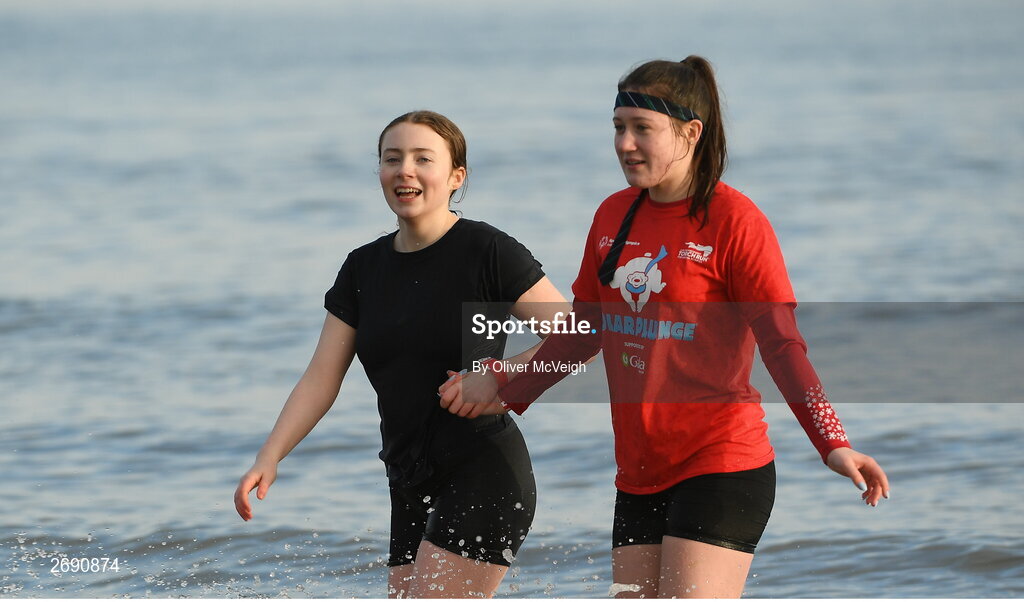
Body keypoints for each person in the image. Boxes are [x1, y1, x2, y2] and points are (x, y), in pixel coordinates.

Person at [438, 57, 890, 598]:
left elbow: (782, 345)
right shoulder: (612, 216)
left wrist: (831, 441)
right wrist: (507, 383)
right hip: (638, 471)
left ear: (690, 132)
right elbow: (586, 330)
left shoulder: (735, 223)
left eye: (642, 129)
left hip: (721, 462)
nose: (625, 144)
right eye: (618, 127)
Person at [234, 110, 570, 598]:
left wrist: (503, 378)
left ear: (456, 177)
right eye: (392, 159)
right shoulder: (362, 268)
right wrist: (270, 455)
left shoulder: (487, 251)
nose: (404, 170)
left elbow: (582, 338)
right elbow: (321, 377)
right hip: (407, 480)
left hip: (483, 471)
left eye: (422, 159)